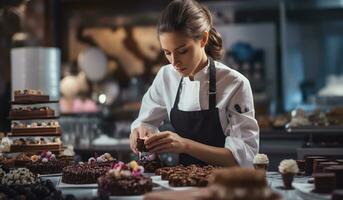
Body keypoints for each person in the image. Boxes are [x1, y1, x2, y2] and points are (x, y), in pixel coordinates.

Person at [130, 0, 259, 167]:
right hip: (182, 182)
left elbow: (244, 158)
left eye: (182, 51)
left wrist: (185, 145)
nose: (174, 62)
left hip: (227, 185)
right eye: (167, 53)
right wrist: (140, 131)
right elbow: (146, 121)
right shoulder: (166, 76)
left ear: (203, 39)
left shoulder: (235, 84)